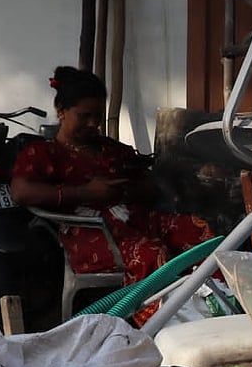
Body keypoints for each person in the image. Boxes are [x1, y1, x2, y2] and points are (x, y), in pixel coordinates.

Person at [11, 66, 215, 323]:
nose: (93, 124)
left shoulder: (112, 150)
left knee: (200, 232)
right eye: (84, 116)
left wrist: (123, 190)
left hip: (138, 221)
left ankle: (219, 307)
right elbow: (21, 192)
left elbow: (150, 186)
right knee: (150, 253)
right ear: (61, 111)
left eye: (98, 116)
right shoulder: (44, 153)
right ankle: (164, 326)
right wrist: (87, 192)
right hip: (93, 233)